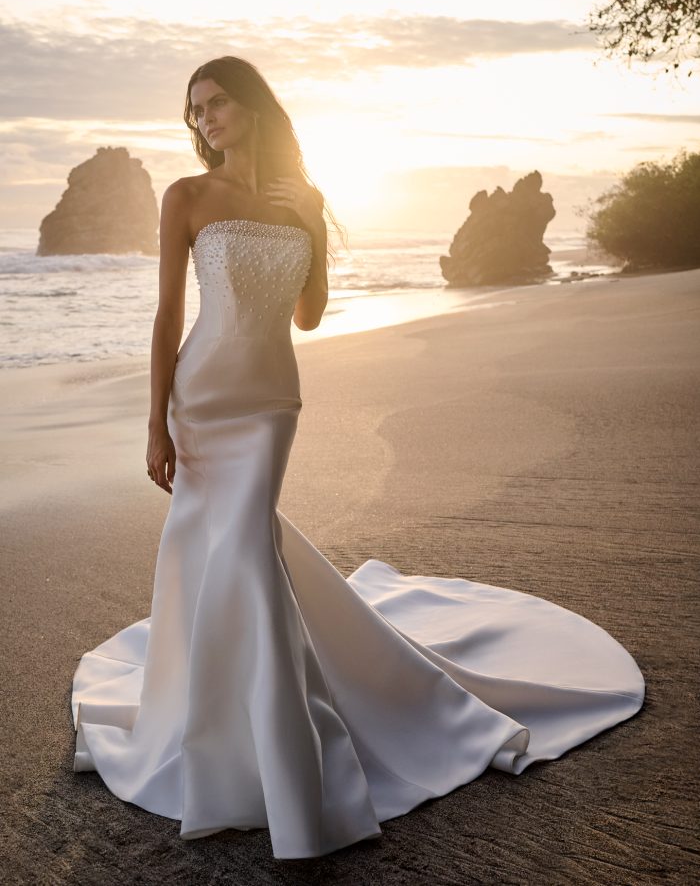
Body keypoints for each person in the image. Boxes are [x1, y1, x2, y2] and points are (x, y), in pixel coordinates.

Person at [71, 56, 645, 861]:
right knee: (225, 552)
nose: (204, 121)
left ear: (255, 108)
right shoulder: (186, 197)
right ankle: (230, 736)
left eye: (218, 104)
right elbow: (168, 316)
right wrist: (155, 424)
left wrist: (305, 215)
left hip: (270, 401)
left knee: (241, 548)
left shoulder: (300, 198)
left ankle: (284, 755)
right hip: (200, 397)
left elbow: (307, 316)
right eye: (194, 111)